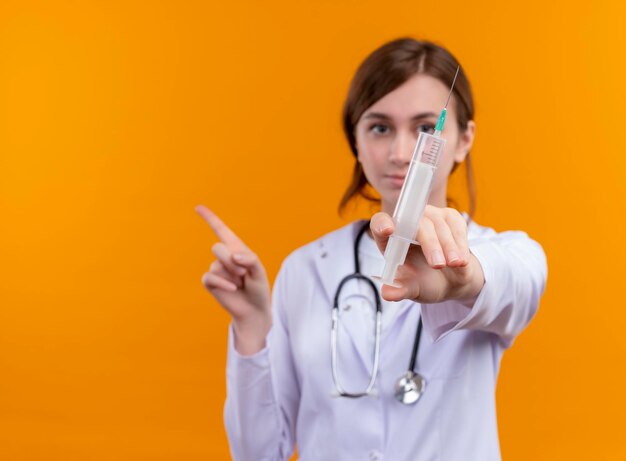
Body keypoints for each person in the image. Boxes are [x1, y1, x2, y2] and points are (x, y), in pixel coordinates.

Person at [196, 38, 547, 461]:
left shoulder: (502, 254)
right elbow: (259, 454)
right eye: (380, 127)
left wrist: (462, 275)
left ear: (463, 139)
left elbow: (517, 280)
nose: (402, 154)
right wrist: (252, 325)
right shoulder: (305, 270)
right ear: (356, 142)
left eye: (424, 129)